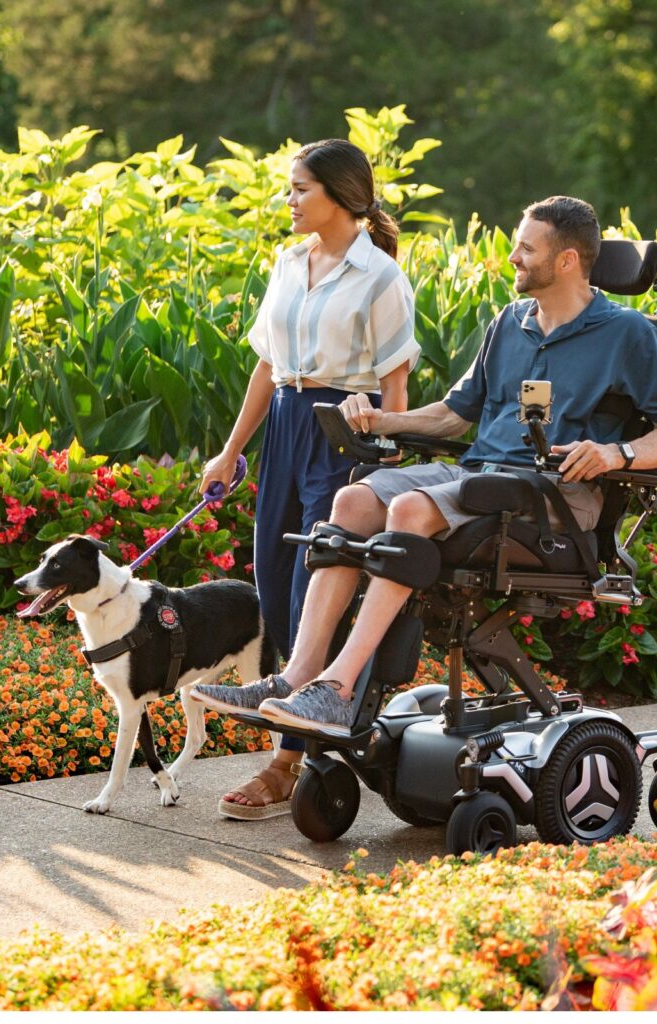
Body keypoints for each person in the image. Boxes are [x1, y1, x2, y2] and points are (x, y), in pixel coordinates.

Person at [201, 195, 657, 735]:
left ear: (567, 261)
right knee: (353, 500)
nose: (513, 259)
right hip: (480, 477)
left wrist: (615, 454)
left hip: (550, 496)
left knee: (412, 510)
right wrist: (382, 422)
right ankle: (296, 677)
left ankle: (338, 689)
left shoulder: (628, 334)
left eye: (526, 249)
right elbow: (455, 416)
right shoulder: (511, 321)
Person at [191, 139, 420, 814]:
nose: (287, 201)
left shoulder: (380, 277)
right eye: (288, 188)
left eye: (298, 189)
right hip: (286, 429)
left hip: (342, 433)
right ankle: (289, 730)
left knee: (310, 586)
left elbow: (395, 383)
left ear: (340, 195)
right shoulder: (289, 262)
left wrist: (380, 466)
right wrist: (231, 451)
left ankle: (286, 764)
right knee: (273, 586)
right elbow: (267, 366)